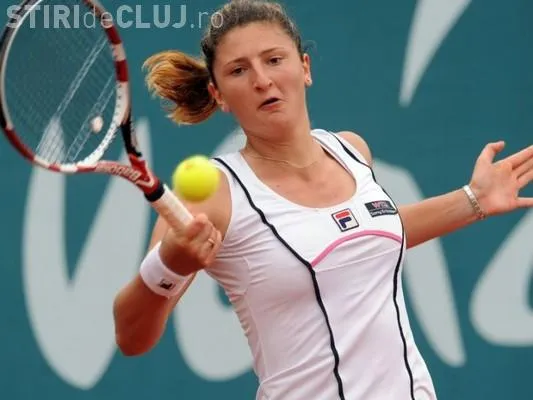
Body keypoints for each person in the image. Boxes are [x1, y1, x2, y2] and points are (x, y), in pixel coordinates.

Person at [112, 1, 533, 399]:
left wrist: (473, 199)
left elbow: (366, 231)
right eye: (238, 70)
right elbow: (131, 337)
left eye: (273, 59)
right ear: (218, 94)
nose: (262, 80)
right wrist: (168, 265)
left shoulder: (351, 150)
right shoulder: (213, 196)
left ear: (305, 68)